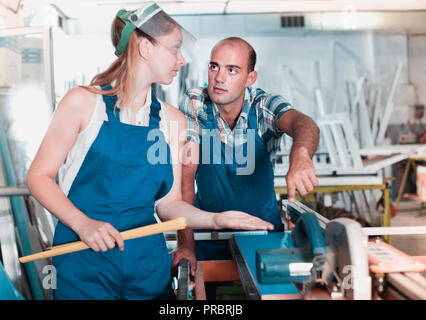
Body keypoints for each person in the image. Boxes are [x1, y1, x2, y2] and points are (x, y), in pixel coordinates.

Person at [26, 4, 273, 300]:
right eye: (175, 48)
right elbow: (39, 177)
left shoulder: (172, 121)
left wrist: (215, 220)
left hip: (145, 270)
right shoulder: (82, 104)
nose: (182, 60)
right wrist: (83, 223)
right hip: (84, 266)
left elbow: (168, 206)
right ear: (145, 48)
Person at [173, 37, 320, 281]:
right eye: (214, 67)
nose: (219, 78)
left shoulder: (263, 106)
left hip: (262, 233)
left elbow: (303, 124)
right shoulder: (197, 102)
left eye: (232, 70)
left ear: (250, 78)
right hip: (208, 233)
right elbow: (186, 177)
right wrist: (186, 244)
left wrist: (301, 155)